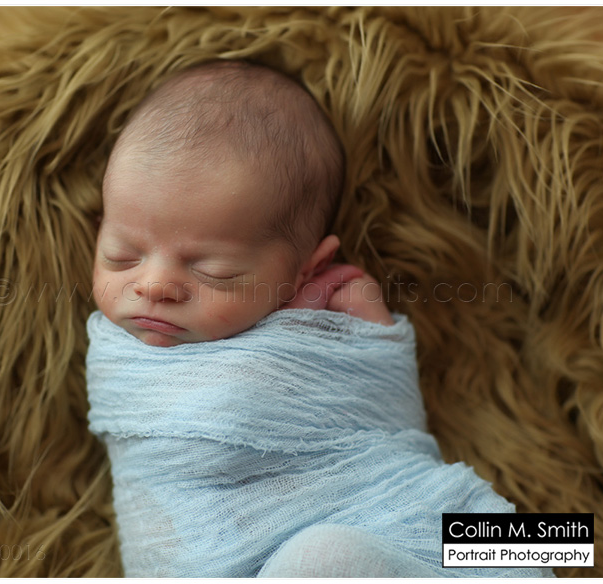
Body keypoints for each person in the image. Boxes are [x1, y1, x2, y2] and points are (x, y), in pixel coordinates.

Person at [85, 60, 552, 578]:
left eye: (214, 271)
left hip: (371, 515)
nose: (152, 286)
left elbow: (387, 410)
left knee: (521, 541)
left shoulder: (331, 315)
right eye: (120, 256)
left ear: (306, 269)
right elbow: (208, 433)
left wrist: (324, 329)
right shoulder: (117, 355)